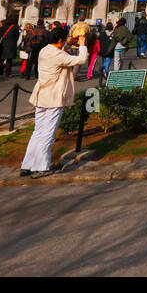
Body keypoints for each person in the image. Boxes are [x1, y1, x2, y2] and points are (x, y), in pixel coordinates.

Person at [19, 24, 88, 178]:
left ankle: (28, 164)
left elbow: (60, 51)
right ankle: (41, 166)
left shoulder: (45, 50)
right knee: (48, 133)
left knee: (38, 131)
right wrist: (82, 44)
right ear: (59, 40)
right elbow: (82, 59)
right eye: (63, 41)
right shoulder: (58, 55)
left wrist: (69, 41)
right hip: (54, 97)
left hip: (42, 94)